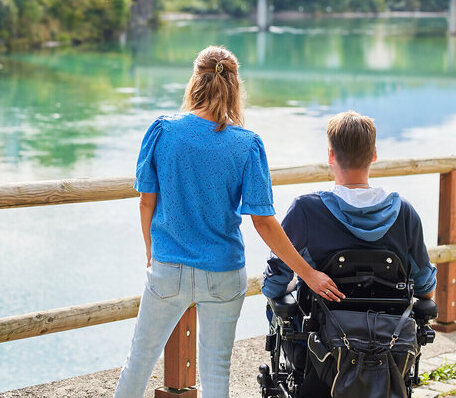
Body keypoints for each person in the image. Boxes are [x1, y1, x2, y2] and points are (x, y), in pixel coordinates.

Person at [114, 46, 345, 398]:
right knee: (217, 371)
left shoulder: (162, 131)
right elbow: (264, 222)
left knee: (139, 362)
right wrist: (307, 273)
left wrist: (151, 251)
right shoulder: (247, 144)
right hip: (223, 273)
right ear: (236, 86)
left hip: (168, 268)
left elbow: (147, 201)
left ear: (195, 80)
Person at [262, 110, 437, 308]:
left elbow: (273, 284)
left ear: (331, 155)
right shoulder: (404, 213)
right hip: (390, 325)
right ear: (374, 154)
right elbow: (425, 287)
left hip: (321, 325)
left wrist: (301, 278)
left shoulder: (306, 210)